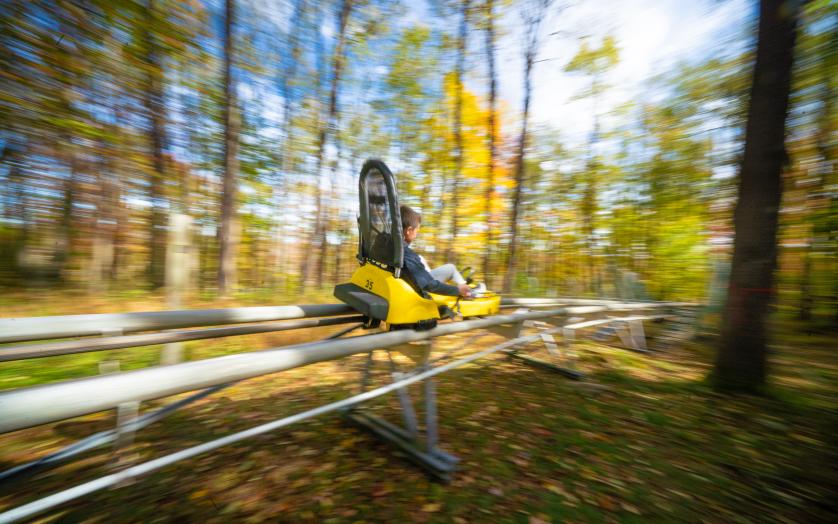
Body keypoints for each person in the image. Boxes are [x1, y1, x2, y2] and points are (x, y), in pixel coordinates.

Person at [399, 205, 473, 298]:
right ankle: (466, 291)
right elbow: (429, 285)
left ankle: (465, 287)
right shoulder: (407, 255)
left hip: (411, 281)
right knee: (451, 267)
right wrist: (457, 290)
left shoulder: (387, 247)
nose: (417, 234)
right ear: (409, 230)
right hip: (419, 287)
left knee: (421, 258)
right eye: (417, 231)